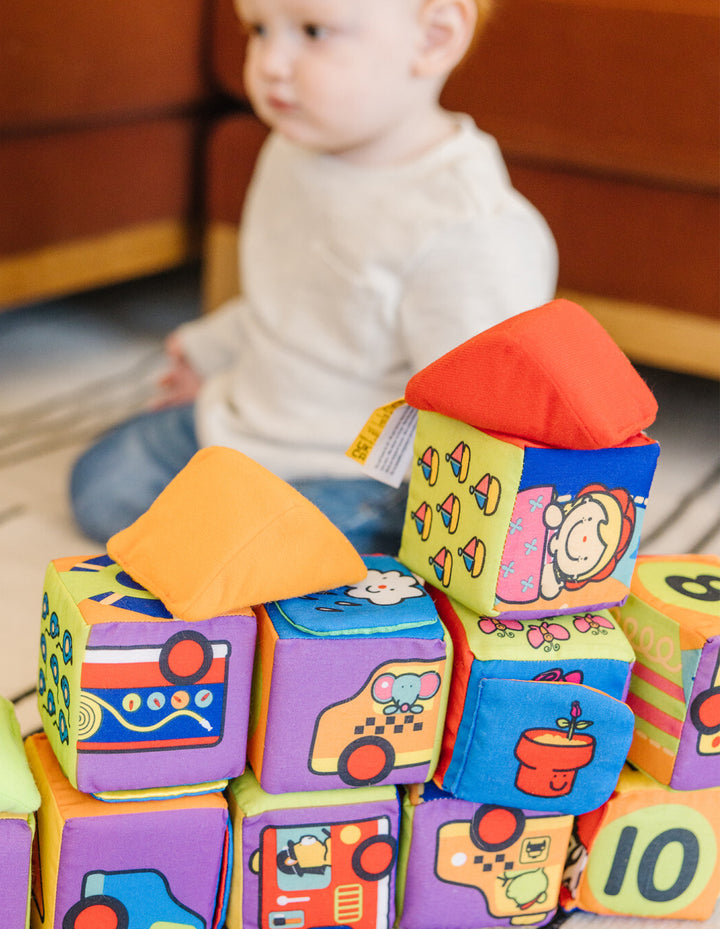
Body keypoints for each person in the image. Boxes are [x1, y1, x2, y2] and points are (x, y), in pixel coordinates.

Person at [71, 0, 557, 553]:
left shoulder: (467, 227)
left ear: (433, 38)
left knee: (252, 553)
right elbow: (287, 299)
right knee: (104, 484)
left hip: (360, 474)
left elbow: (484, 421)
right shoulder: (291, 150)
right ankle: (232, 534)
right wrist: (209, 355)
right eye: (258, 28)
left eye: (313, 31)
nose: (272, 63)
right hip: (248, 428)